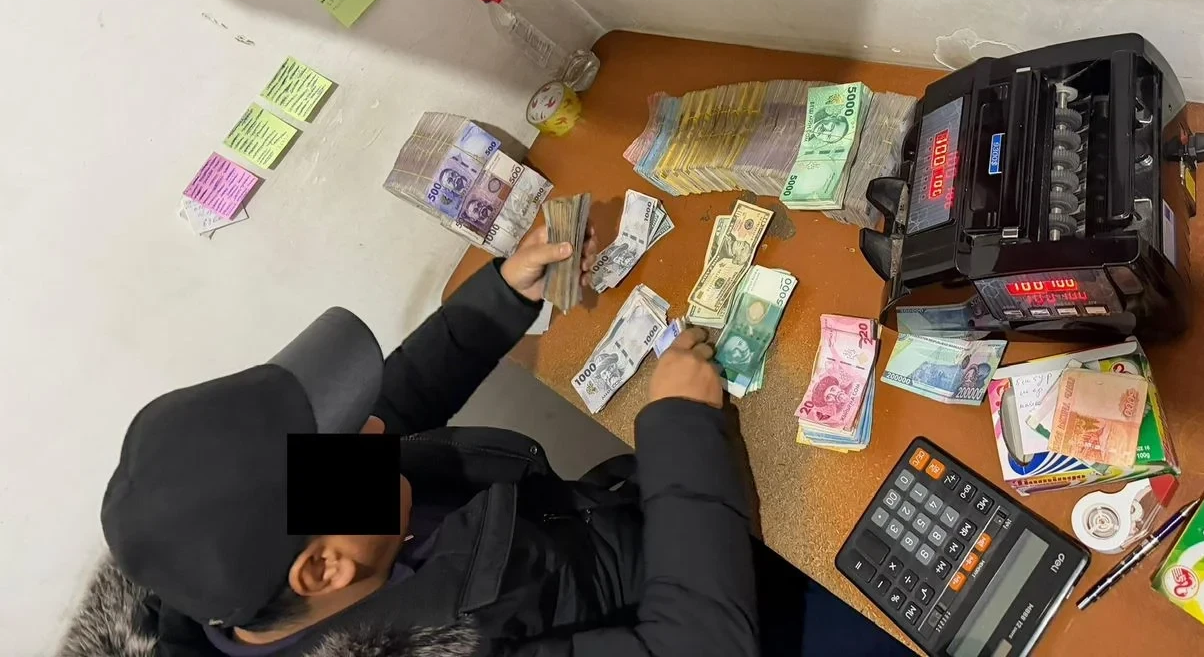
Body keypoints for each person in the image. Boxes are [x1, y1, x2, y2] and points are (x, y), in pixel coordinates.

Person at [57, 225, 758, 657]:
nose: (373, 428)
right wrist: (681, 427)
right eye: (345, 451)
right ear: (323, 570)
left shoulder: (244, 554)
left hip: (622, 525)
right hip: (705, 600)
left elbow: (389, 401)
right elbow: (702, 643)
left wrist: (503, 297)